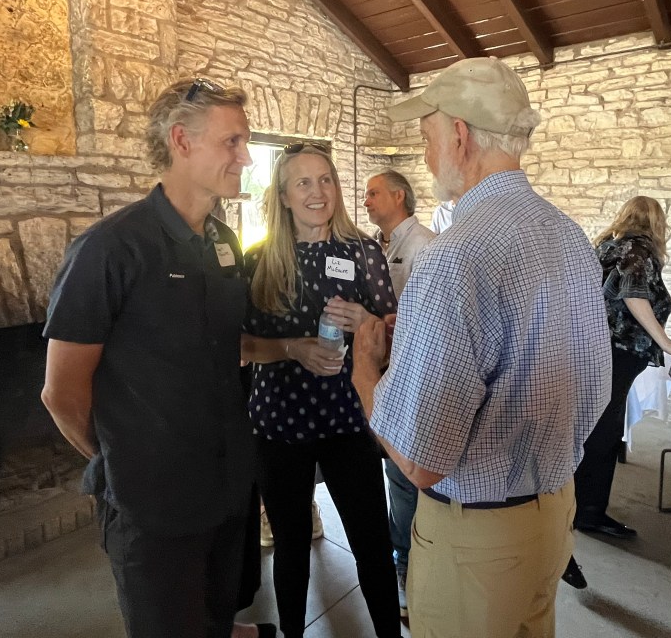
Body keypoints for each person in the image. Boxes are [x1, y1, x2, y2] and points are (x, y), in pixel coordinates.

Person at [352, 57, 612, 638]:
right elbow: (593, 389)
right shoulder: (568, 234)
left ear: (459, 135)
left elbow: (419, 462)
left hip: (478, 545)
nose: (426, 156)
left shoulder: (452, 255)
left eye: (427, 138)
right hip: (552, 517)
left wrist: (366, 375)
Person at [42, 77, 273, 638]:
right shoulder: (110, 248)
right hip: (154, 508)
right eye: (233, 141)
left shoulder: (223, 242)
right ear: (181, 141)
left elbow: (226, 349)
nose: (246, 157)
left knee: (217, 621)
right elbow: (61, 393)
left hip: (227, 489)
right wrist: (124, 461)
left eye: (245, 142)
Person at [240, 144, 401, 638]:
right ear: (283, 196)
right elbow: (241, 345)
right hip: (279, 421)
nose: (318, 192)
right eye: (304, 182)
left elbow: (396, 334)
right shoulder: (259, 259)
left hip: (348, 417)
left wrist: (368, 320)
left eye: (326, 179)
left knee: (372, 543)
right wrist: (292, 349)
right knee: (291, 546)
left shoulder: (363, 252)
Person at [573, 197, 671, 538]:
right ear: (656, 223)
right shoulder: (637, 249)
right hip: (619, 349)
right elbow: (633, 294)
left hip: (599, 347)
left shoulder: (610, 246)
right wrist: (667, 342)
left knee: (599, 426)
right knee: (604, 431)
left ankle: (577, 505)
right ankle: (588, 512)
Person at [363, 169, 434, 617]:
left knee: (406, 481)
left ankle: (408, 569)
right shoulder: (371, 247)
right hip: (378, 372)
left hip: (408, 377)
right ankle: (400, 556)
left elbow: (429, 316)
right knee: (392, 477)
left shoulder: (426, 246)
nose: (365, 200)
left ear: (399, 196)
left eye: (373, 192)